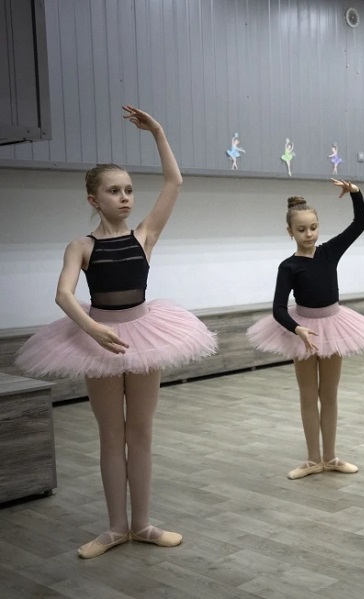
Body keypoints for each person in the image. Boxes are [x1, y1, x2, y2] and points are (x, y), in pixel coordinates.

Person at [15, 106, 217, 558]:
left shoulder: (144, 235)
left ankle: (142, 524)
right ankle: (113, 528)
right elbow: (64, 295)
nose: (125, 197)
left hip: (144, 334)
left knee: (140, 433)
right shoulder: (81, 245)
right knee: (111, 435)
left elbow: (174, 184)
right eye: (114, 191)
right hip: (97, 339)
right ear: (93, 199)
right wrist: (92, 330)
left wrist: (159, 133)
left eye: (128, 190)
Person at [247, 180, 364, 479]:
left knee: (330, 394)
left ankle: (331, 456)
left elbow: (361, 222)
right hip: (303, 330)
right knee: (308, 395)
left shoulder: (329, 252)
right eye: (301, 230)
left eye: (313, 227)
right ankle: (312, 460)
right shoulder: (289, 266)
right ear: (290, 232)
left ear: (318, 227)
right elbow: (278, 309)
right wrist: (297, 330)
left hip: (334, 326)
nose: (308, 234)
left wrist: (356, 194)